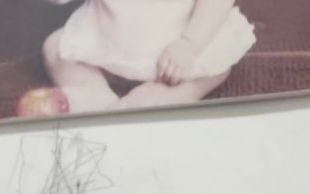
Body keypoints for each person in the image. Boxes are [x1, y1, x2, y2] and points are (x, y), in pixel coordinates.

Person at [41, 0, 256, 114]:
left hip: (174, 47)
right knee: (54, 48)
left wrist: (189, 42)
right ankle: (98, 97)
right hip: (106, 38)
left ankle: (159, 97)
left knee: (217, 65)